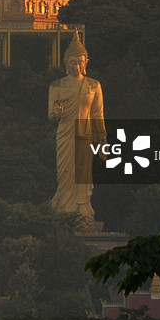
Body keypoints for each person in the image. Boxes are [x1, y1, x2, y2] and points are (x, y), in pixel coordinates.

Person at [48, 33, 106, 227]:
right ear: (66, 62)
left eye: (80, 63)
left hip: (85, 134)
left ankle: (82, 212)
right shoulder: (57, 86)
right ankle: (64, 209)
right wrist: (57, 112)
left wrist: (103, 142)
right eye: (73, 63)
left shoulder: (93, 85)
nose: (77, 67)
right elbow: (51, 116)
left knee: (82, 175)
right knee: (65, 173)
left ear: (85, 62)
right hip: (65, 133)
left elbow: (98, 116)